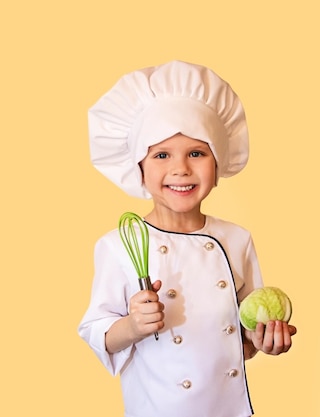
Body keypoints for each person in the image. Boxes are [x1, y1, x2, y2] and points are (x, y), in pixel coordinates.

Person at [78, 60, 297, 417]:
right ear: (139, 168)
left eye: (197, 153)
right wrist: (133, 326)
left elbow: (240, 340)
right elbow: (97, 332)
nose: (181, 169)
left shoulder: (236, 239)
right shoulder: (116, 245)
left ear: (218, 163)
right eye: (161, 155)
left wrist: (262, 340)